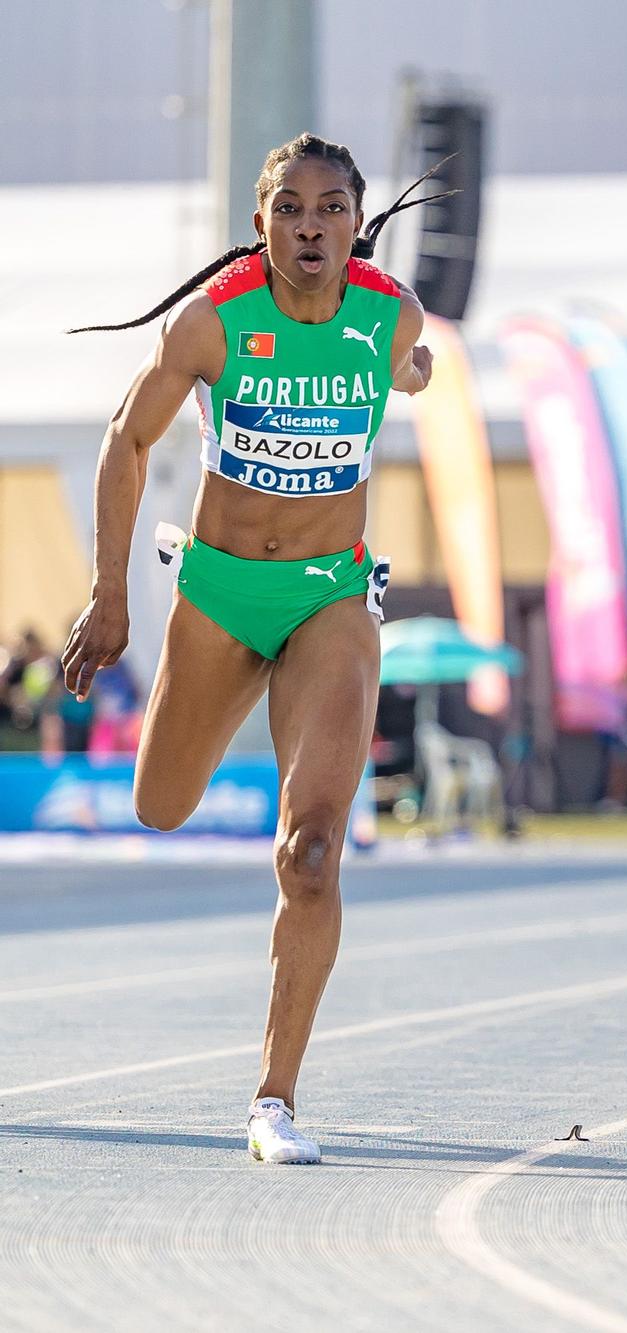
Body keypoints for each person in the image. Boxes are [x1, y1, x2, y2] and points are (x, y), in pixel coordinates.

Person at [61, 133, 441, 1162]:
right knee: (160, 804)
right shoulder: (212, 322)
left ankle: (274, 1099)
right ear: (260, 221)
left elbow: (405, 363)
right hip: (223, 594)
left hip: (330, 597)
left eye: (329, 209)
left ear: (355, 223)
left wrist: (414, 370)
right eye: (288, 209)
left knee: (310, 850)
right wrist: (110, 594)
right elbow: (125, 440)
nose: (308, 226)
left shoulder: (390, 310)